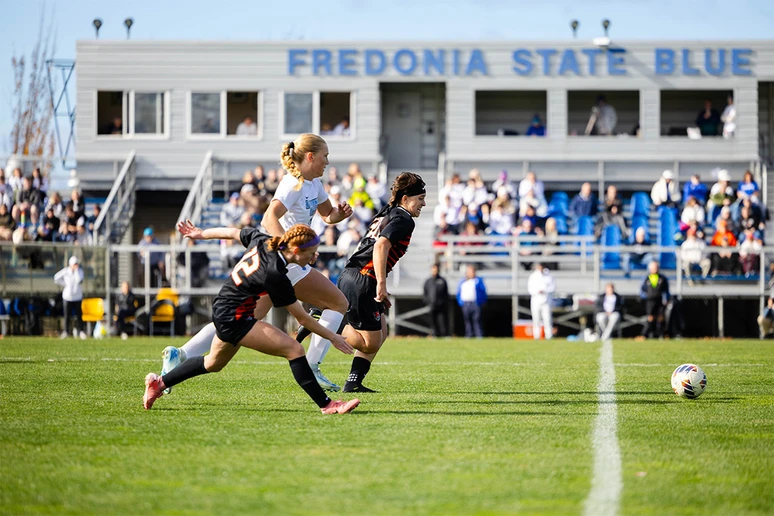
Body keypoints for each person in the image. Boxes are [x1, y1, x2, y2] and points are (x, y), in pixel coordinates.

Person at [158, 134, 354, 393]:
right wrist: (285, 250)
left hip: (289, 263)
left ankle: (181, 354)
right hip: (283, 264)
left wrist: (339, 214)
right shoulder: (291, 184)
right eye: (325, 156)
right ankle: (312, 365)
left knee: (244, 321)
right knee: (336, 302)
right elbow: (268, 218)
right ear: (310, 157)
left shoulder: (314, 184)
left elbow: (328, 215)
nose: (327, 161)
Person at [142, 222, 360, 415]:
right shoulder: (275, 273)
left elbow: (232, 232)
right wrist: (333, 337)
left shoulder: (264, 240)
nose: (314, 257)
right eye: (311, 252)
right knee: (294, 350)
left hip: (224, 309)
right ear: (294, 250)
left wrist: (201, 233)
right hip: (235, 317)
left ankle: (158, 383)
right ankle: (327, 405)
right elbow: (302, 318)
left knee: (213, 363)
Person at [333, 172, 426, 392]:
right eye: (420, 198)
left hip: (355, 274)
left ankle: (353, 382)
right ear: (405, 199)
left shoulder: (389, 211)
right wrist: (381, 284)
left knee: (381, 331)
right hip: (364, 278)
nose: (423, 203)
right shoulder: (403, 219)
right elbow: (381, 245)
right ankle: (327, 324)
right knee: (370, 342)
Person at [54, 256, 86, 340]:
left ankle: (81, 331)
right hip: (67, 297)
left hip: (77, 297)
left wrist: (75, 271)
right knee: (67, 315)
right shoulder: (66, 271)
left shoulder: (80, 271)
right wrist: (65, 284)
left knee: (79, 315)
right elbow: (56, 278)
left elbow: (79, 280)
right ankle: (66, 331)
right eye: (74, 264)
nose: (76, 265)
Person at [638, 261, 669, 340]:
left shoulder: (662, 278)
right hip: (650, 301)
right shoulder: (646, 278)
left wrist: (666, 299)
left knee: (661, 317)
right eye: (653, 267)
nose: (655, 269)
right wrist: (645, 296)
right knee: (650, 317)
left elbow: (666, 290)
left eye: (656, 267)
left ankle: (661, 334)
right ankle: (646, 334)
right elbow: (642, 289)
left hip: (660, 300)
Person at [456, 264, 487, 338]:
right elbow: (459, 293)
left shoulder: (478, 281)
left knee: (476, 319)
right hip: (466, 304)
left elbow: (482, 292)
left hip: (475, 303)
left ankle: (479, 335)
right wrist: (461, 302)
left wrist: (481, 302)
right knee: (467, 320)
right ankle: (468, 335)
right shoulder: (462, 282)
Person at [423, 263, 449, 337]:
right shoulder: (428, 281)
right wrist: (427, 302)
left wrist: (444, 302)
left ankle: (444, 335)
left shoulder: (442, 280)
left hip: (441, 305)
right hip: (431, 305)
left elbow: (446, 293)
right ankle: (435, 335)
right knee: (432, 321)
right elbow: (425, 293)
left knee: (442, 321)